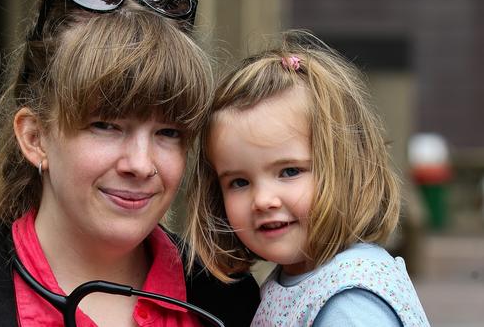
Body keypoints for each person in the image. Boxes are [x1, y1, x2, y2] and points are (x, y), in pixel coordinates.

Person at [0, 0, 259, 327]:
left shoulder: (229, 301)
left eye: (169, 132)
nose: (141, 164)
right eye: (106, 126)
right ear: (35, 138)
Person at [183, 30, 430, 326]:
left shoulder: (350, 302)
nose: (262, 200)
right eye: (239, 182)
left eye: (289, 171)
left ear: (347, 167)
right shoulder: (294, 279)